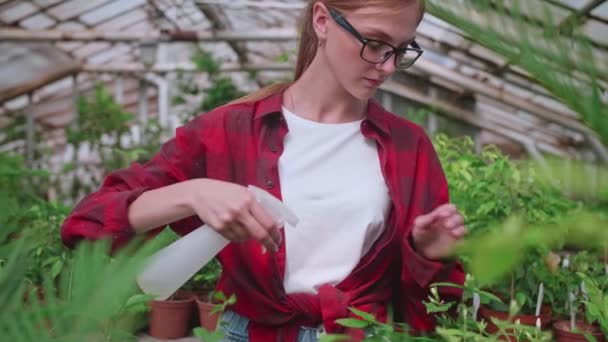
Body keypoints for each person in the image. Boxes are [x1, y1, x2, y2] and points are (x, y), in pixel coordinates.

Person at [61, 0, 466, 341]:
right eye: (375, 44)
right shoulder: (229, 131)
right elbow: (88, 224)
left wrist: (429, 255)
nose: (388, 66)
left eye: (401, 49)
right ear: (322, 20)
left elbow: (433, 309)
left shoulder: (408, 146)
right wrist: (193, 193)